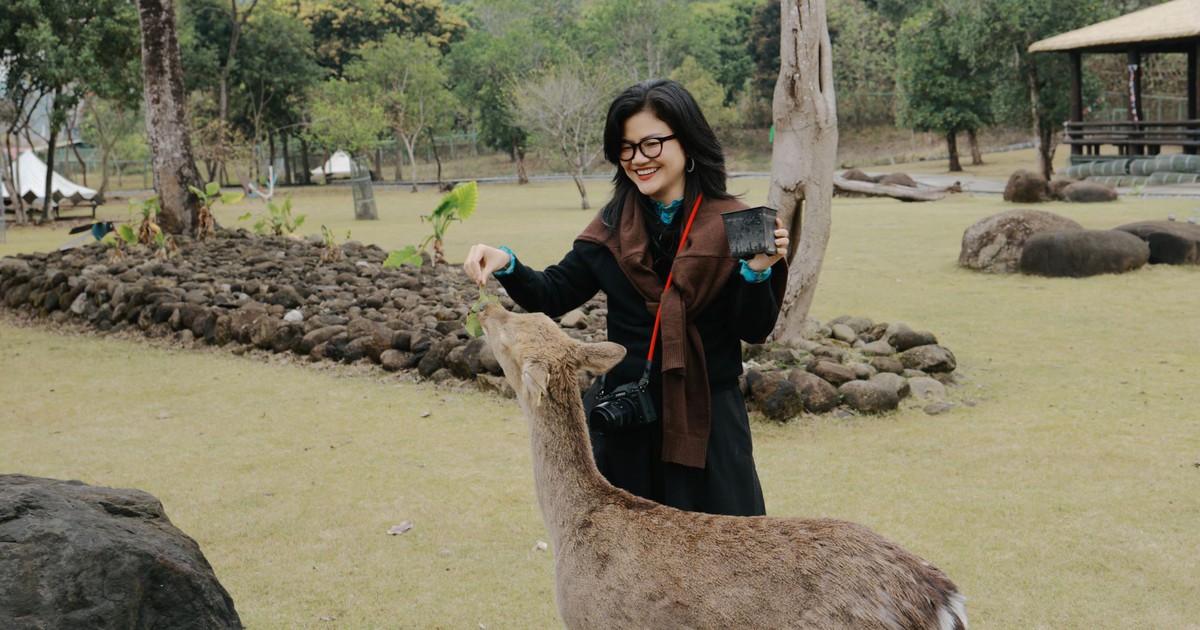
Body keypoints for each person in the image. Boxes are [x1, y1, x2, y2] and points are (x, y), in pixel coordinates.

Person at [463, 79, 789, 517]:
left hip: (709, 422)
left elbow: (753, 328)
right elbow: (554, 292)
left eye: (651, 144)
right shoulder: (613, 227)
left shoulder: (735, 224)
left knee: (726, 560)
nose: (638, 159)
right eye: (626, 147)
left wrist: (756, 272)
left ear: (687, 143)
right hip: (629, 418)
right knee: (629, 564)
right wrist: (504, 261)